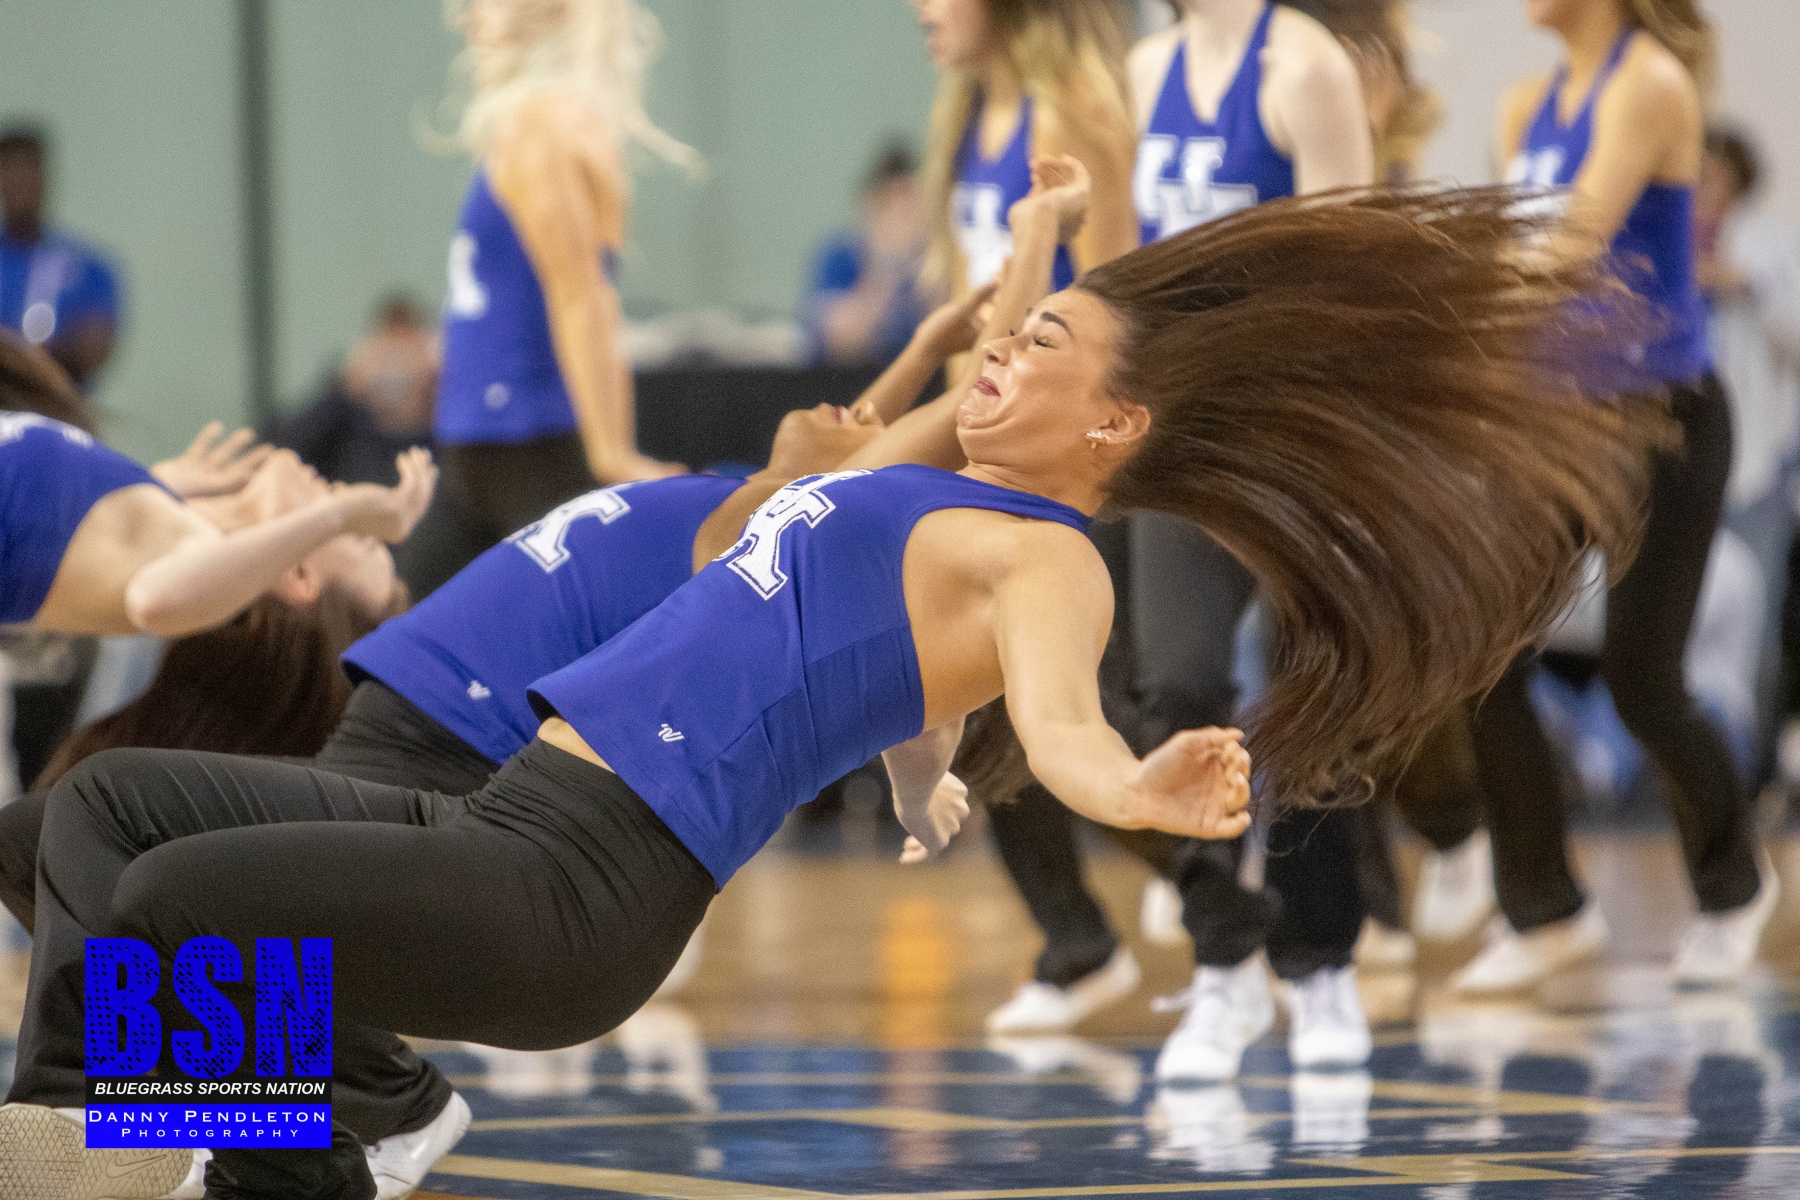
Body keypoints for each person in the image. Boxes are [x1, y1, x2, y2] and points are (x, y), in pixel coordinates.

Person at [1, 185, 1670, 1198]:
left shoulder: (1046, 562)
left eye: (1042, 350)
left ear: (1113, 428)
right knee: (113, 810)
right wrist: (1024, 263)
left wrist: (1132, 786)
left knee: (171, 905)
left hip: (582, 885)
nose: (1004, 356)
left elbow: (1063, 723)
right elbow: (893, 467)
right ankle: (242, 1157)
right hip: (517, 813)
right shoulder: (924, 485)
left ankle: (103, 1152)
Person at [983, 0, 1382, 1085]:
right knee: (1175, 686)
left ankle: (1322, 963)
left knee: (1312, 695)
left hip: (1291, 441)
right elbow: (1120, 277)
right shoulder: (1141, 72)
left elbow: (1349, 286)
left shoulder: (1304, 69)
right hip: (1175, 441)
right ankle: (1225, 960)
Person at [1452, 0, 1772, 995]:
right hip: (1561, 421)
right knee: (1483, 658)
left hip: (1659, 420)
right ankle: (1544, 908)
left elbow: (1565, 250)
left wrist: (1432, 287)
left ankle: (1732, 888)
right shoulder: (1525, 106)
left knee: (1643, 683)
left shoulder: (1651, 85)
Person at [408, 0, 697, 598]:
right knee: (403, 619)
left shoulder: (539, 124)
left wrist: (613, 453)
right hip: (493, 442)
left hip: (522, 436)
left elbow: (583, 295)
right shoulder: (550, 120)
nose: (466, 16)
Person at [0, 332, 432, 641]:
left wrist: (339, 515)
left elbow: (151, 600)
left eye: (361, 535)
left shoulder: (191, 553)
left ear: (298, 575)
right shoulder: (166, 520)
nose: (343, 490)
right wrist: (155, 485)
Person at [913, 0, 1140, 324]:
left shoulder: (1067, 114)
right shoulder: (965, 112)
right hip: (992, 355)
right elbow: (967, 302)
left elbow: (1114, 313)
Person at [1695, 125, 1800, 773]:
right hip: (1683, 470)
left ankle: (1751, 773)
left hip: (1754, 475)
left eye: (1711, 176)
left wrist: (1746, 283)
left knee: (1755, 629)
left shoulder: (1769, 244)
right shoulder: (1666, 241)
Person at [267, 295, 439, 489]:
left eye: (407, 351)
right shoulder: (338, 428)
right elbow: (273, 452)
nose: (396, 368)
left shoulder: (450, 433)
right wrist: (341, 387)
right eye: (387, 352)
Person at [0, 127, 120, 390]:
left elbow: (91, 354)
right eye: (9, 170)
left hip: (60, 410)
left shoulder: (89, 268)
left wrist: (15, 358)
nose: (19, 181)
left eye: (28, 170)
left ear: (44, 177)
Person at [802, 140, 933, 366]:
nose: (899, 218)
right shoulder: (840, 256)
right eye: (889, 206)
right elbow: (842, 344)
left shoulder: (930, 263)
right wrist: (885, 266)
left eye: (909, 206)